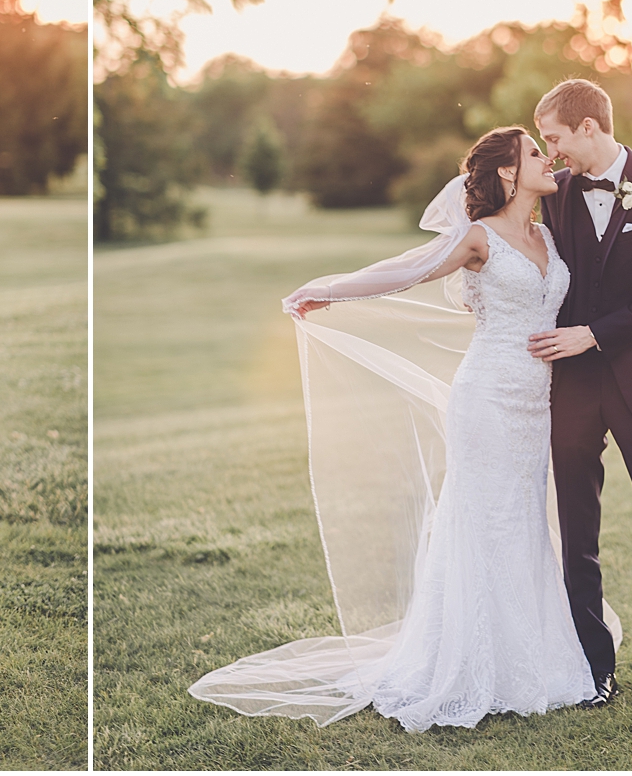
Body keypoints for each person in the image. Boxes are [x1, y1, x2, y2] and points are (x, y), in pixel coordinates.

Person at [190, 126, 603, 732]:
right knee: (482, 518)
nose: (550, 159)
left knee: (523, 518)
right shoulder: (477, 237)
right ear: (509, 174)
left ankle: (532, 657)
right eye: (536, 152)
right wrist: (330, 289)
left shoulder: (546, 232)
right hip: (487, 397)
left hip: (535, 401)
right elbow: (408, 269)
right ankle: (467, 661)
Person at [529, 78, 632, 713]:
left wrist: (593, 335)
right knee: (578, 533)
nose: (552, 152)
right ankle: (594, 668)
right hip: (572, 390)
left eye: (555, 138)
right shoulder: (559, 194)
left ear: (589, 128)